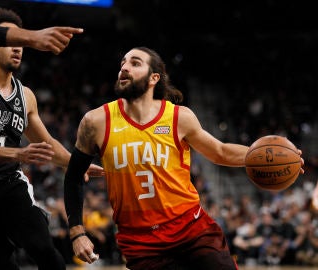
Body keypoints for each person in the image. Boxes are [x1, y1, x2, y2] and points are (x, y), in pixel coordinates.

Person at [63, 46, 305, 269]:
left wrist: (270, 158)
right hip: (140, 241)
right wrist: (77, 232)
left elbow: (219, 152)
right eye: (123, 62)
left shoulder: (179, 117)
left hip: (191, 229)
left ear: (153, 78)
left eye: (135, 63)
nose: (124, 67)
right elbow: (74, 176)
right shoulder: (95, 121)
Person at [0, 7, 103, 270]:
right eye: (13, 41)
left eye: (22, 44)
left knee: (44, 249)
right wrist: (19, 153)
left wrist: (74, 164)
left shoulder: (26, 95)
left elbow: (48, 143)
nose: (19, 48)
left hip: (8, 183)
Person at [0, 14, 83, 54]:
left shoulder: (27, 95)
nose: (17, 48)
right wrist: (32, 37)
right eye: (15, 41)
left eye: (19, 43)